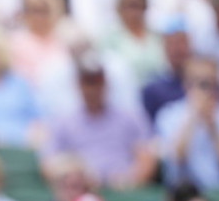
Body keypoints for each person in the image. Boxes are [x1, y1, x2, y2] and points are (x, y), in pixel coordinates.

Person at [41, 52, 158, 189]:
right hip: (81, 192)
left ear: (105, 83)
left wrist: (130, 180)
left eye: (96, 82)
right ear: (78, 85)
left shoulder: (130, 117)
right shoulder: (63, 122)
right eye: (87, 83)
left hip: (123, 188)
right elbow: (47, 165)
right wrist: (78, 178)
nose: (92, 89)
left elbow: (146, 158)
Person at [155, 55, 219, 191]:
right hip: (184, 194)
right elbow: (176, 159)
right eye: (199, 83)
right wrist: (192, 117)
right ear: (185, 84)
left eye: (209, 83)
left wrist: (213, 129)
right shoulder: (168, 115)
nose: (206, 90)